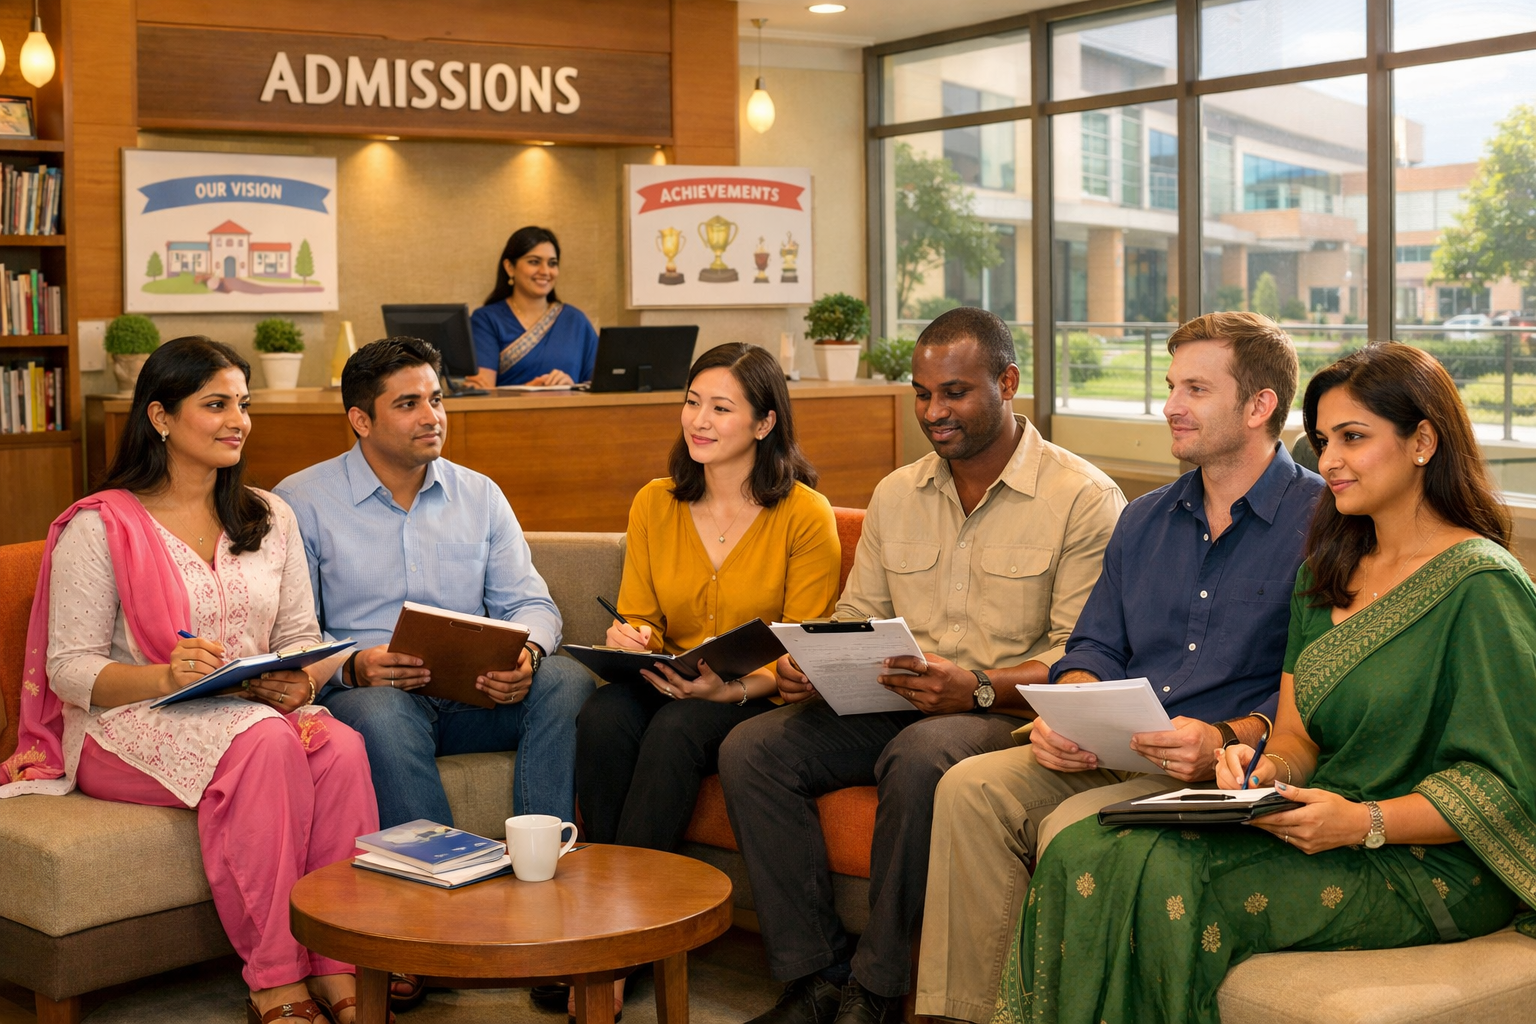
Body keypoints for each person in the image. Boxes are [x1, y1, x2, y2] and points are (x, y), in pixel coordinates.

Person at [994, 342, 1536, 1024]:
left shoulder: (1480, 584)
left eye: (1354, 438)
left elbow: (1505, 788)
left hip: (1429, 860)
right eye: (1322, 439)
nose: (1329, 460)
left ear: (1423, 441)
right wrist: (1262, 770)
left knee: (1166, 874)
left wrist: (1362, 821)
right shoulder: (1329, 568)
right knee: (1082, 846)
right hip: (1310, 815)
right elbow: (1297, 734)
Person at [719, 307, 1126, 1024]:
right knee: (753, 747)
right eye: (921, 392)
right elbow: (852, 619)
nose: (933, 412)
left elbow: (1082, 655)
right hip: (891, 697)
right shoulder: (897, 493)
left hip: (1001, 714)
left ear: (1008, 382)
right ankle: (812, 979)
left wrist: (973, 686)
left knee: (922, 753)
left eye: (955, 392)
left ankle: (876, 991)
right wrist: (807, 666)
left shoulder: (1083, 499)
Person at [917, 311, 1326, 1024]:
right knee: (966, 789)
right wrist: (1070, 702)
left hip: (1225, 760)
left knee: (1076, 826)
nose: (1170, 405)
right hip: (1119, 745)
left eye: (1196, 389)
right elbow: (1096, 646)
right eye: (1171, 385)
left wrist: (1224, 738)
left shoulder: (1324, 523)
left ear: (1260, 406)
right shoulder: (1143, 519)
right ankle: (972, 1014)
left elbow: (1316, 689)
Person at [0, 337, 378, 1024]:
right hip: (127, 722)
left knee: (343, 750)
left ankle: (340, 960)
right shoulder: (101, 525)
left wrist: (304, 682)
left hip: (250, 711)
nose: (239, 419)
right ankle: (275, 977)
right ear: (162, 416)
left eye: (244, 403)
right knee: (266, 744)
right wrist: (162, 674)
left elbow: (300, 638)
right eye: (216, 404)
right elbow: (69, 670)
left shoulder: (268, 516)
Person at [275, 337, 594, 1010]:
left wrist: (527, 656)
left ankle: (546, 906)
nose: (433, 417)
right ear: (361, 420)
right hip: (375, 697)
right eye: (410, 403)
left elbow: (531, 602)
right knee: (382, 713)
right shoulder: (300, 501)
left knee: (567, 679)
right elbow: (290, 632)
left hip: (477, 695)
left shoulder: (479, 495)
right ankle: (436, 927)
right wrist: (354, 665)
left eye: (438, 399)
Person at [567, 342, 842, 1018]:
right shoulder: (655, 502)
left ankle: (620, 944)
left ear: (765, 422)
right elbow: (643, 614)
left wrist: (732, 689)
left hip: (754, 694)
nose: (699, 420)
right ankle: (601, 926)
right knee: (601, 718)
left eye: (721, 407)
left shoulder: (807, 514)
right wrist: (629, 636)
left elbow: (801, 655)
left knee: (680, 729)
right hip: (671, 673)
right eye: (693, 402)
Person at [467, 225, 598, 387]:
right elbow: (481, 393)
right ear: (509, 267)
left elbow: (600, 387)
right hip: (510, 413)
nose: (545, 271)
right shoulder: (486, 320)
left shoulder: (575, 321)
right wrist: (530, 391)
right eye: (534, 262)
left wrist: (572, 388)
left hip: (570, 412)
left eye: (552, 263)